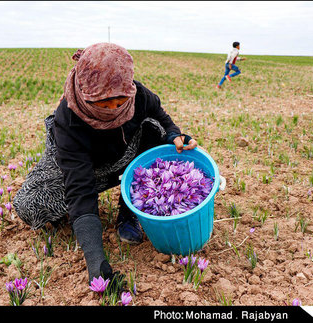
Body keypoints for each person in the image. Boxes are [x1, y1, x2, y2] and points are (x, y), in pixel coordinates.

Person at [13, 43, 198, 285]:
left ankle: (130, 209)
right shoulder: (68, 118)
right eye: (103, 104)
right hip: (80, 165)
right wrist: (96, 262)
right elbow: (79, 186)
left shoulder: (138, 96)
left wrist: (174, 134)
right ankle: (80, 218)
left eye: (120, 102)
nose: (113, 110)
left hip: (123, 156)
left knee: (156, 129)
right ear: (86, 93)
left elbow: (161, 117)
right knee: (29, 206)